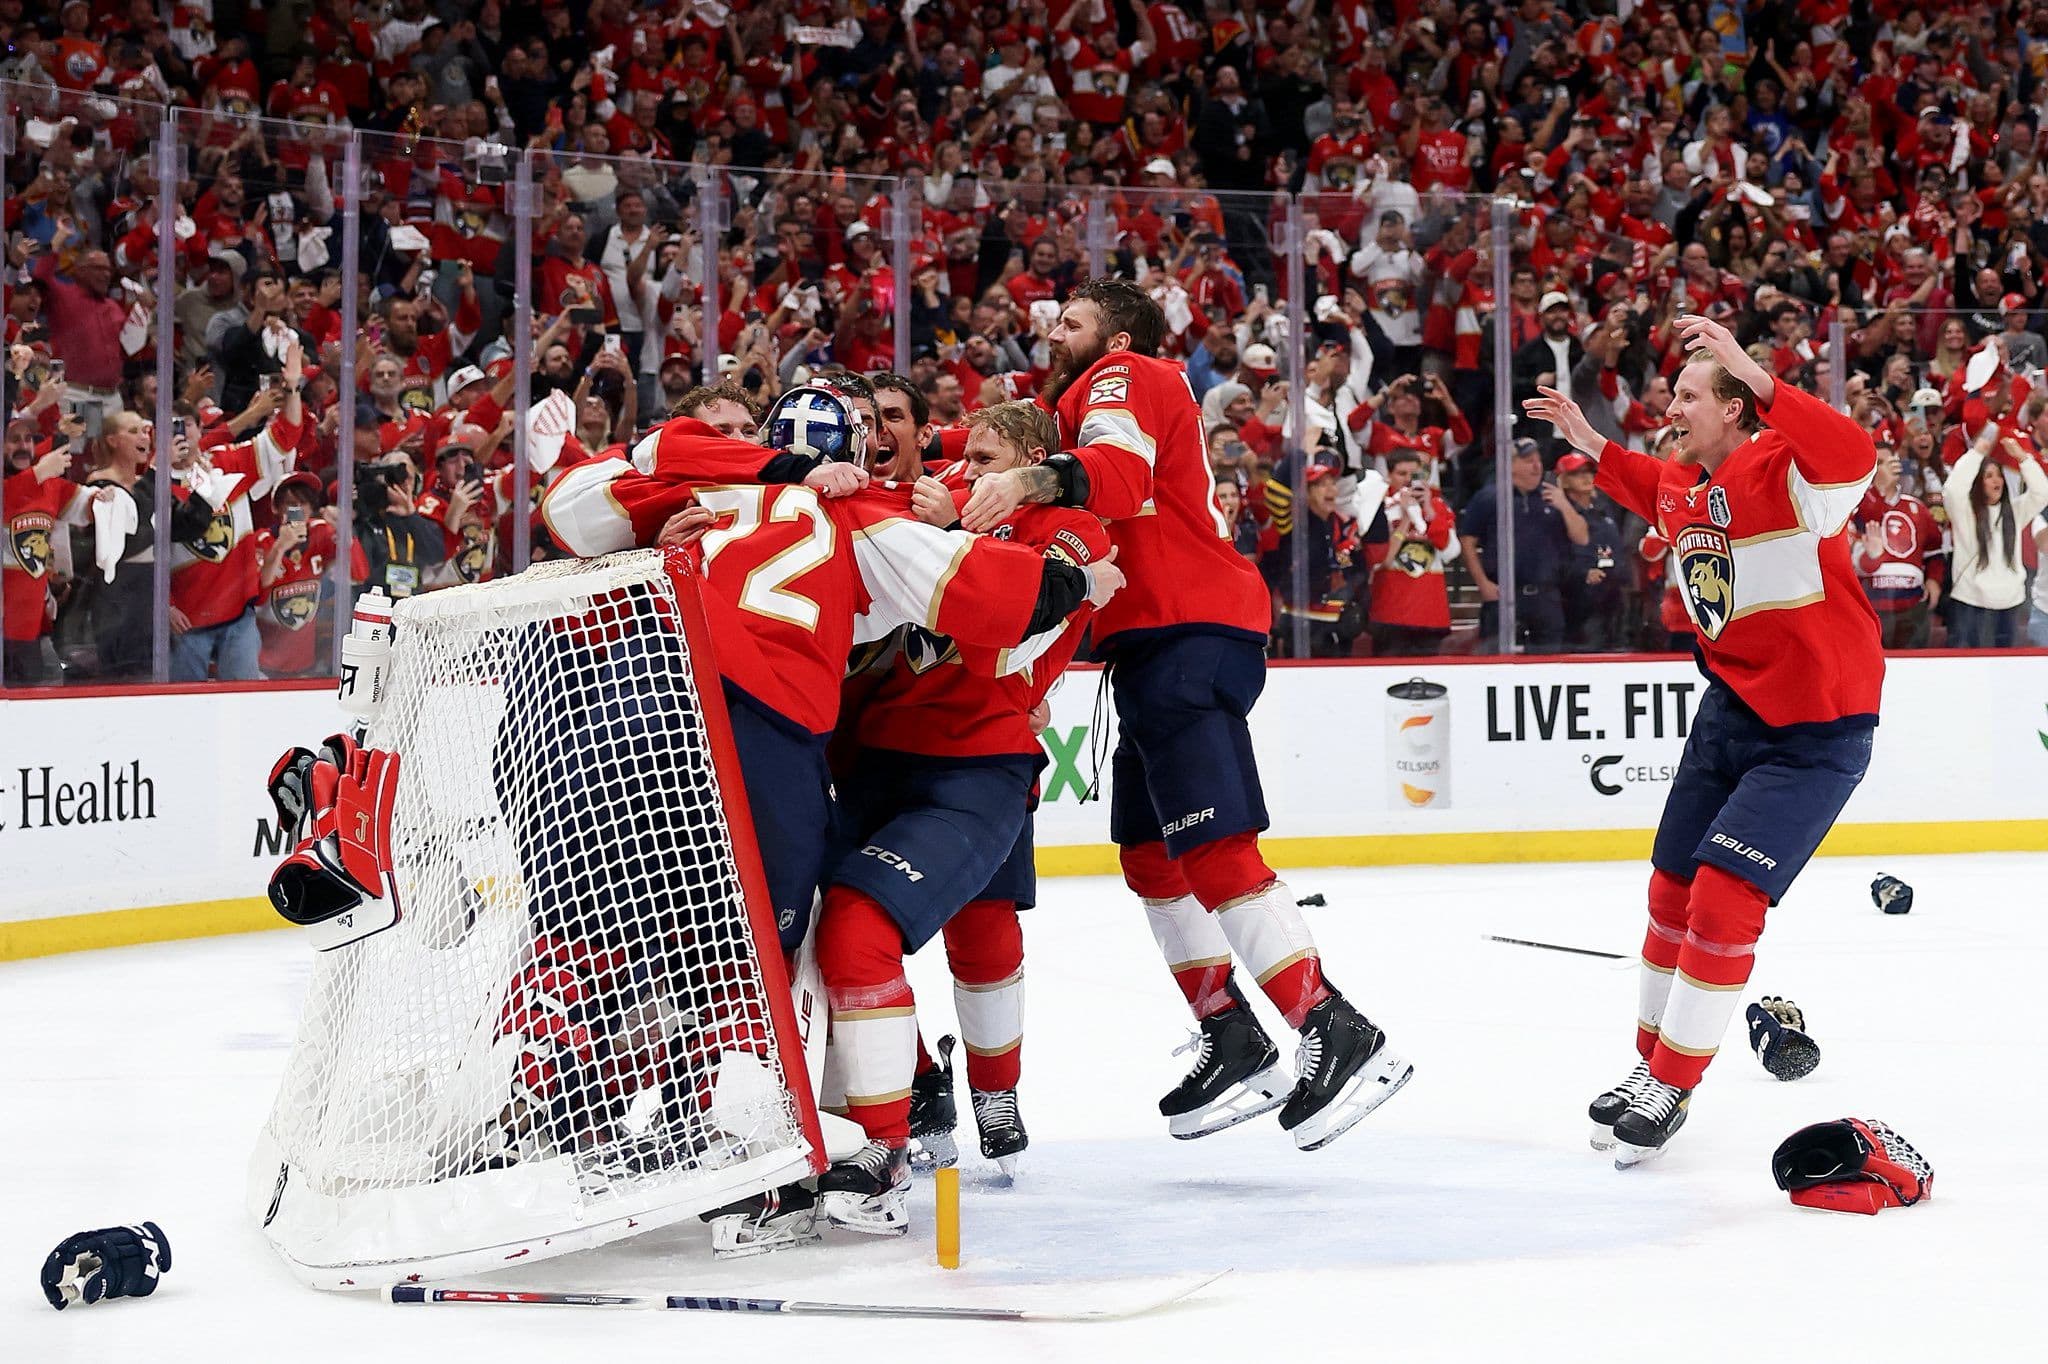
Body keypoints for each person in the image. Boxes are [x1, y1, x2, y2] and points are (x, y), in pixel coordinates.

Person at [960, 278, 1413, 1151]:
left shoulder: (1124, 375)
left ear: (1119, 334)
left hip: (1185, 630)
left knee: (1210, 845)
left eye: (1076, 319)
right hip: (1154, 642)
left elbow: (1120, 477)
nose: (1057, 330)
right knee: (1150, 855)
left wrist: (1023, 478)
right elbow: (992, 448)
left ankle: (1331, 1024)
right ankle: (1233, 1034)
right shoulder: (1076, 404)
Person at [1524, 314, 1883, 1166]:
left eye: (1690, 394)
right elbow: (1648, 482)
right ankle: (1649, 1066)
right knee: (1670, 891)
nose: (1672, 405)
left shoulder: (1790, 474)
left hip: (1816, 730)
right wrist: (1588, 440)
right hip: (1730, 711)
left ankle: (1673, 1085)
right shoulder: (1688, 482)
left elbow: (1854, 456)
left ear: (1735, 408)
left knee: (1724, 897)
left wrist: (1755, 371)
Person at [813, 400, 1109, 1233]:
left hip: (980, 753)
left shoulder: (1074, 532)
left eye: (987, 461)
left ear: (1031, 464)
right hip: (873, 754)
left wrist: (958, 536)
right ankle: (917, 1088)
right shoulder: (929, 499)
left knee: (985, 930)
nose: (966, 471)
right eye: (965, 457)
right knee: (840, 932)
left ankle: (997, 1094)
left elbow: (1000, 631)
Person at [1458, 438, 1587, 652]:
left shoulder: (1553, 497)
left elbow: (1582, 537)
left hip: (1546, 596)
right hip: (1503, 594)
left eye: (1538, 461)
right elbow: (1467, 541)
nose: (1537, 466)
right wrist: (1482, 583)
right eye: (1528, 461)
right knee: (1497, 659)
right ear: (1509, 465)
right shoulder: (1490, 498)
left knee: (1548, 662)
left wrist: (1565, 506)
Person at [1941, 429, 2048, 648]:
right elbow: (1952, 490)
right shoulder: (1964, 511)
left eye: (1998, 475)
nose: (1996, 480)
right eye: (1988, 476)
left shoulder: (2015, 511)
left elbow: (2041, 493)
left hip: (2009, 606)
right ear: (1978, 482)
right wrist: (1977, 453)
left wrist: (2023, 458)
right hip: (1970, 605)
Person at [1851, 443, 1946, 649]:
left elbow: (1935, 552)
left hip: (1912, 608)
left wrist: (1934, 581)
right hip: (1869, 609)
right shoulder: (1857, 506)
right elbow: (1861, 524)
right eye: (1878, 463)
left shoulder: (1917, 508)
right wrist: (1879, 490)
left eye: (1888, 461)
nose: (1884, 468)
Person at [1364, 449, 1455, 656]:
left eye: (1413, 475)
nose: (1407, 480)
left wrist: (1429, 512)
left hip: (1430, 612)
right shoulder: (1378, 509)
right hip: (1390, 611)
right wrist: (1405, 518)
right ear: (1389, 476)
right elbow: (1377, 561)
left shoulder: (1437, 507)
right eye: (1401, 474)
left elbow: (1450, 551)